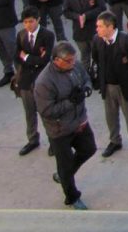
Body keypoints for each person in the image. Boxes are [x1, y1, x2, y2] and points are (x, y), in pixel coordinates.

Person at [34, 42, 96, 210]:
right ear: (56, 60)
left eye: (73, 60)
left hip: (79, 121)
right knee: (65, 165)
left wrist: (86, 89)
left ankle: (63, 175)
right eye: (68, 61)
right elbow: (46, 110)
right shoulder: (44, 82)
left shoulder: (74, 66)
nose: (72, 63)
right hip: (59, 130)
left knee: (89, 148)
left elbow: (85, 78)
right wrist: (71, 102)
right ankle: (72, 196)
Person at [90, 11, 128, 159]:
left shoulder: (126, 40)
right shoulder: (97, 40)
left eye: (100, 26)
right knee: (110, 116)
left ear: (110, 27)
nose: (97, 29)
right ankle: (115, 141)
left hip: (125, 86)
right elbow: (95, 58)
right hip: (107, 86)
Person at [13, 7, 55, 156]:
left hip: (41, 81)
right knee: (29, 112)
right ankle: (32, 139)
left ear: (38, 19)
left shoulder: (47, 35)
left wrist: (27, 58)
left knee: (45, 113)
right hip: (25, 81)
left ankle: (53, 142)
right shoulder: (21, 35)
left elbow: (45, 59)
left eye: (31, 21)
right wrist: (32, 59)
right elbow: (17, 56)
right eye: (25, 22)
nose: (28, 25)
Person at [62, 0, 107, 72]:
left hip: (94, 30)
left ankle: (101, 77)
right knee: (84, 56)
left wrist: (86, 15)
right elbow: (65, 11)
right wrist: (77, 17)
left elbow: (102, 7)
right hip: (79, 32)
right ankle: (86, 78)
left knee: (99, 56)